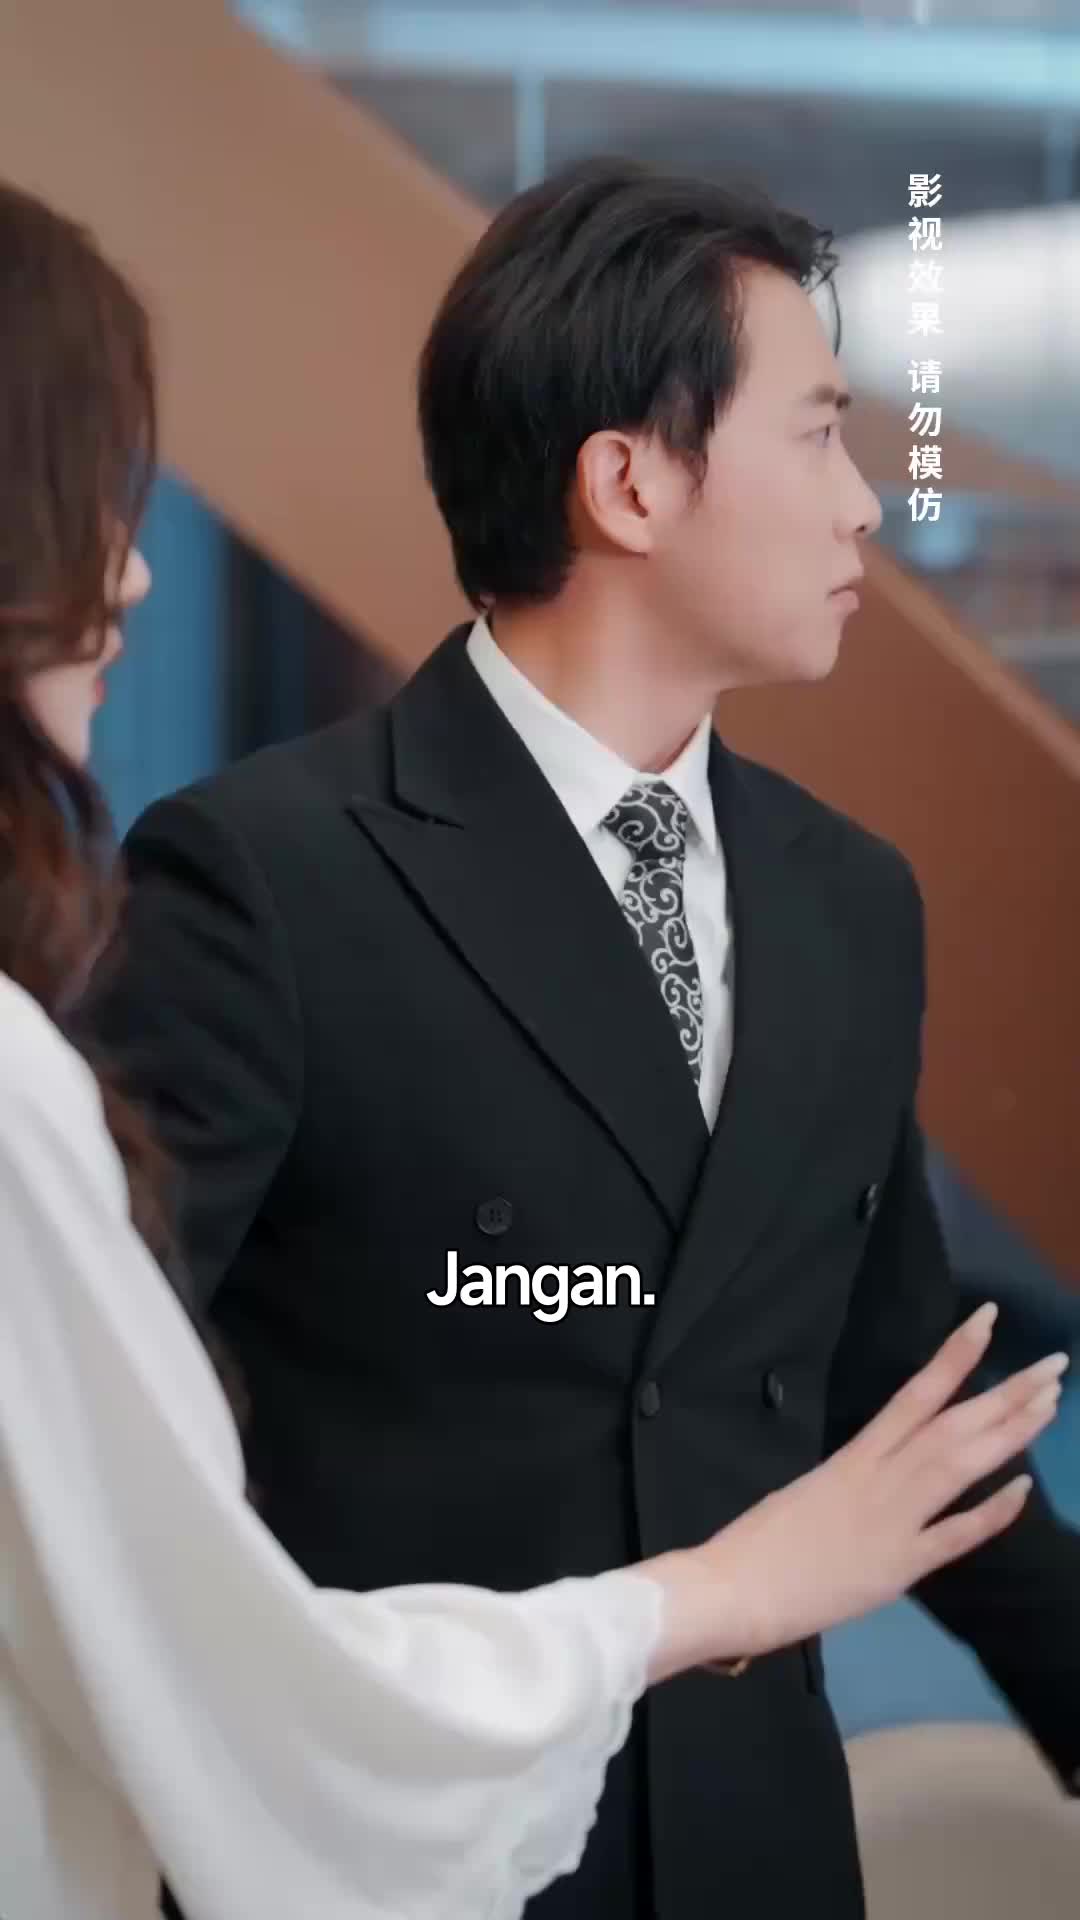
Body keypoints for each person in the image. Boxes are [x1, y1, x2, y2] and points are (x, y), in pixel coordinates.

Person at [0, 182, 1063, 1920]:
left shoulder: (851, 900)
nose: (867, 500)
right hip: (429, 1856)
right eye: (817, 433)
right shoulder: (265, 878)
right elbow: (103, 1439)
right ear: (629, 483)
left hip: (761, 1853)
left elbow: (894, 1395)